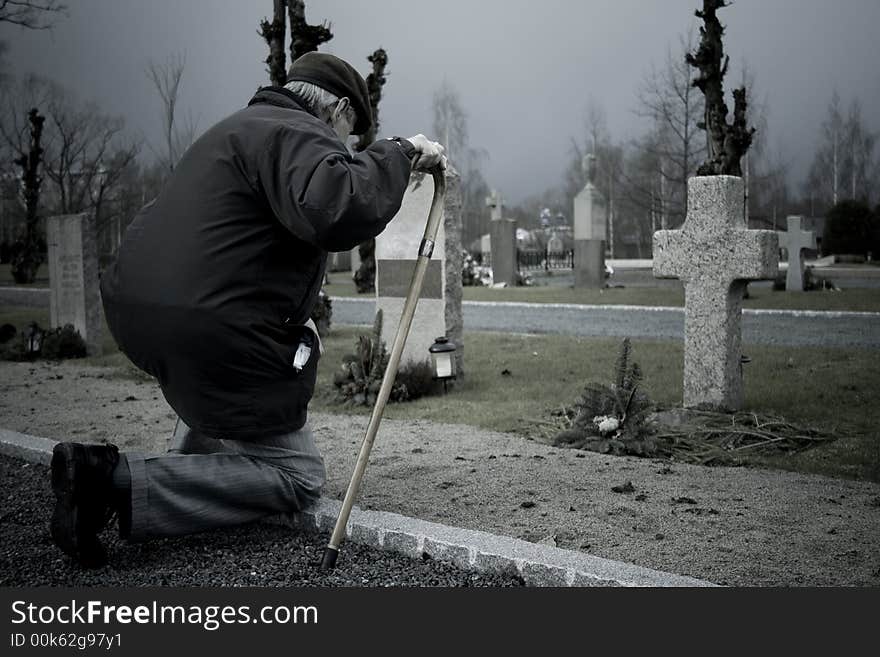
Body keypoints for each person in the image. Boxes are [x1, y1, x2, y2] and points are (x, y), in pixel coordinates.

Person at [49, 52, 447, 568]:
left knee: (218, 373)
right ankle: (110, 481)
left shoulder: (235, 129)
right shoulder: (299, 133)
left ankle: (175, 468)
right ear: (340, 110)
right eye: (351, 139)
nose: (346, 151)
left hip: (139, 308)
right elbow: (340, 203)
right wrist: (402, 150)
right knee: (298, 475)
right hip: (209, 323)